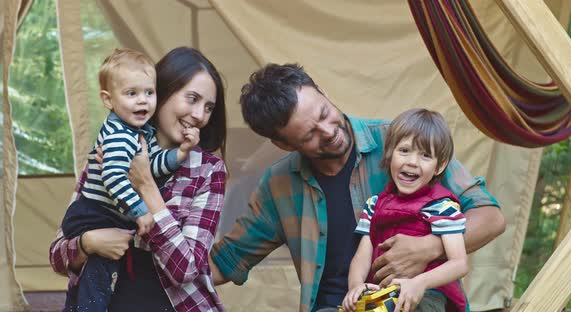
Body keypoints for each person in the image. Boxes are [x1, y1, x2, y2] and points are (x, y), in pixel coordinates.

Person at [209, 63, 505, 312]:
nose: (329, 132)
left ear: (324, 92)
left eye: (324, 113)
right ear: (283, 144)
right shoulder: (278, 185)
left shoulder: (403, 144)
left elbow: (490, 217)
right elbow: (226, 262)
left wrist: (427, 248)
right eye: (310, 133)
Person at [50, 47, 227, 312]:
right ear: (163, 92)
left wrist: (146, 186)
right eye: (192, 99)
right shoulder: (109, 149)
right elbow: (58, 257)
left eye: (209, 107)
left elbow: (186, 270)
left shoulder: (208, 171)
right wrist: (88, 243)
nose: (200, 115)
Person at [342, 109, 468, 312]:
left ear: (440, 166)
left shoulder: (441, 207)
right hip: (383, 295)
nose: (412, 161)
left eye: (426, 155)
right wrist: (356, 286)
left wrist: (421, 283)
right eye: (405, 151)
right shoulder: (375, 205)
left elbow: (459, 263)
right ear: (390, 154)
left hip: (427, 295)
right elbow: (362, 256)